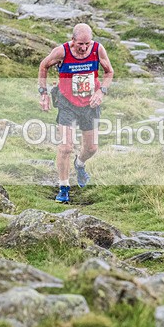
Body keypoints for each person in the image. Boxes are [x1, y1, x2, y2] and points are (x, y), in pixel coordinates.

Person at [38, 23, 113, 203]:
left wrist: (101, 91)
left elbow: (109, 72)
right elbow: (43, 66)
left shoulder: (97, 50)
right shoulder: (62, 52)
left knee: (92, 148)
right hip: (67, 103)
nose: (84, 48)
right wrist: (43, 93)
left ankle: (79, 164)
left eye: (87, 43)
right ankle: (63, 187)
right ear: (73, 41)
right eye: (80, 44)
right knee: (66, 147)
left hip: (90, 104)